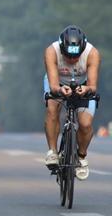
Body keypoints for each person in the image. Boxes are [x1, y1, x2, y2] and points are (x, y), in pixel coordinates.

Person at [43, 25, 101, 180]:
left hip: (83, 85)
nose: (72, 60)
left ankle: (81, 157)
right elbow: (53, 86)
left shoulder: (92, 53)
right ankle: (52, 151)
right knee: (52, 108)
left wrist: (86, 89)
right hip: (58, 83)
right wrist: (59, 90)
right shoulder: (51, 51)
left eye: (76, 57)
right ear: (62, 49)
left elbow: (93, 86)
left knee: (85, 124)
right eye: (68, 56)